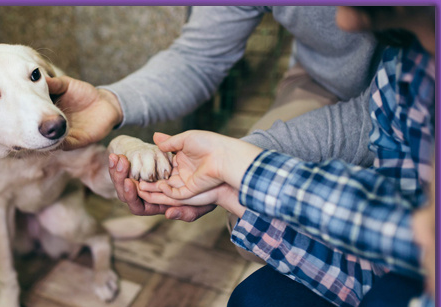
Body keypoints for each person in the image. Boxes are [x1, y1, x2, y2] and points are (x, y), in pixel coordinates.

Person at [136, 6, 435, 307]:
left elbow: (416, 232)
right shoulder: (405, 66)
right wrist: (229, 188)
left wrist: (246, 167)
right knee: (255, 305)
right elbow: (396, 240)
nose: (331, 18)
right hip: (331, 86)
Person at [47, 6, 381, 223]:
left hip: (417, 103)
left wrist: (237, 159)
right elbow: (198, 57)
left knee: (248, 188)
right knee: (251, 211)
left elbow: (390, 112)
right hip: (325, 75)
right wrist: (112, 101)